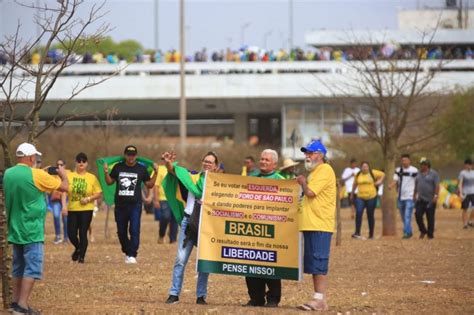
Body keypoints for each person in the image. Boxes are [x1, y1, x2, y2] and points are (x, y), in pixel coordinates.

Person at [4, 143, 68, 314]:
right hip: (32, 229)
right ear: (31, 158)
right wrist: (63, 175)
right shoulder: (37, 174)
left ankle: (15, 302)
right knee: (32, 267)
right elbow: (65, 188)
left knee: (18, 266)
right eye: (35, 158)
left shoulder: (8, 174)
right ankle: (23, 306)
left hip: (15, 227)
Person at [164, 151, 219, 305]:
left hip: (207, 225)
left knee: (204, 262)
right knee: (180, 259)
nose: (207, 164)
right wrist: (169, 162)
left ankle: (201, 296)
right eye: (205, 161)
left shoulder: (220, 183)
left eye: (211, 162)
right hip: (189, 222)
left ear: (215, 166)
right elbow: (173, 171)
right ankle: (174, 294)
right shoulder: (192, 177)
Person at [296, 140, 336, 311]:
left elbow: (311, 192)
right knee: (313, 263)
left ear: (320, 155)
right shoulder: (315, 172)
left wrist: (303, 182)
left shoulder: (324, 170)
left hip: (320, 223)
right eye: (306, 153)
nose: (307, 156)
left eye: (310, 153)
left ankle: (320, 299)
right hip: (311, 223)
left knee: (319, 261)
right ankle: (317, 298)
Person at [103, 145, 158, 264]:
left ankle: (132, 254)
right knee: (121, 231)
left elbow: (149, 184)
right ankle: (127, 250)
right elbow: (109, 182)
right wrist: (106, 172)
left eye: (133, 155)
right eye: (128, 154)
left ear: (136, 156)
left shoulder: (141, 169)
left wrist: (156, 172)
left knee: (134, 229)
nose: (131, 157)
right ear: (125, 155)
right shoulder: (118, 167)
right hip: (120, 205)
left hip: (135, 205)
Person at [245, 149, 284, 308]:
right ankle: (256, 297)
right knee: (250, 262)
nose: (263, 162)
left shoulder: (281, 181)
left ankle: (273, 298)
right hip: (252, 229)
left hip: (272, 231)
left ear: (274, 163)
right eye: (262, 159)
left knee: (270, 263)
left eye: (267, 160)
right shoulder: (250, 178)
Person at [64, 153, 102, 263]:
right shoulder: (69, 176)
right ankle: (78, 248)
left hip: (86, 209)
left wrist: (89, 198)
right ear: (75, 162)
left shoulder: (91, 178)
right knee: (71, 233)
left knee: (83, 232)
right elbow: (64, 191)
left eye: (84, 161)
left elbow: (99, 193)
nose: (81, 163)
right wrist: (63, 206)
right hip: (72, 209)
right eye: (79, 161)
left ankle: (82, 257)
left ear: (87, 163)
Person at [351, 162, 385, 240]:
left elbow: (383, 174)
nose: (365, 168)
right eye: (363, 166)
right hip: (360, 197)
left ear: (369, 167)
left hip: (371, 197)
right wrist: (352, 194)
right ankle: (357, 232)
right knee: (358, 213)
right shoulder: (358, 174)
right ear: (361, 167)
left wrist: (379, 182)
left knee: (370, 215)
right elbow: (355, 184)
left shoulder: (373, 173)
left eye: (366, 166)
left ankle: (371, 234)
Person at [392, 154, 418, 239]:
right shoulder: (398, 170)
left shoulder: (414, 170)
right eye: (403, 160)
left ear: (409, 161)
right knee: (403, 216)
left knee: (407, 215)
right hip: (400, 196)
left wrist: (416, 194)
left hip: (410, 196)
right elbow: (395, 180)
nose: (404, 162)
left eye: (406, 160)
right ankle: (409, 231)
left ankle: (406, 233)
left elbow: (418, 182)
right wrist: (391, 185)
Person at [414, 158, 440, 239]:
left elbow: (437, 185)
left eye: (424, 164)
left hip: (430, 199)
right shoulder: (418, 173)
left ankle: (430, 234)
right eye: (421, 164)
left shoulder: (434, 174)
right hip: (420, 199)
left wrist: (435, 196)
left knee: (430, 217)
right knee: (417, 214)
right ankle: (423, 230)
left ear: (427, 165)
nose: (422, 166)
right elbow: (416, 184)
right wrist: (414, 194)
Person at [154, 164, 178, 244]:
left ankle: (173, 238)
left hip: (175, 199)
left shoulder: (177, 169)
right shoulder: (160, 169)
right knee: (165, 216)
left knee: (175, 218)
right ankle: (161, 235)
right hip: (163, 198)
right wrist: (156, 200)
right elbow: (156, 186)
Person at [49, 159, 69, 244]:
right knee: (56, 216)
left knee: (65, 218)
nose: (59, 166)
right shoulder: (53, 175)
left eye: (61, 164)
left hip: (66, 198)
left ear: (65, 165)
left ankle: (66, 237)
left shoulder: (69, 173)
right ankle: (57, 236)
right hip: (56, 199)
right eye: (57, 165)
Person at [458, 158, 474, 229]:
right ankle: (465, 224)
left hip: (473, 192)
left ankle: (470, 221)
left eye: (470, 165)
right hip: (465, 193)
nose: (469, 166)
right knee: (465, 208)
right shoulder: (462, 173)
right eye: (468, 165)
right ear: (465, 165)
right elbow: (460, 184)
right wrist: (461, 193)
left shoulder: (473, 172)